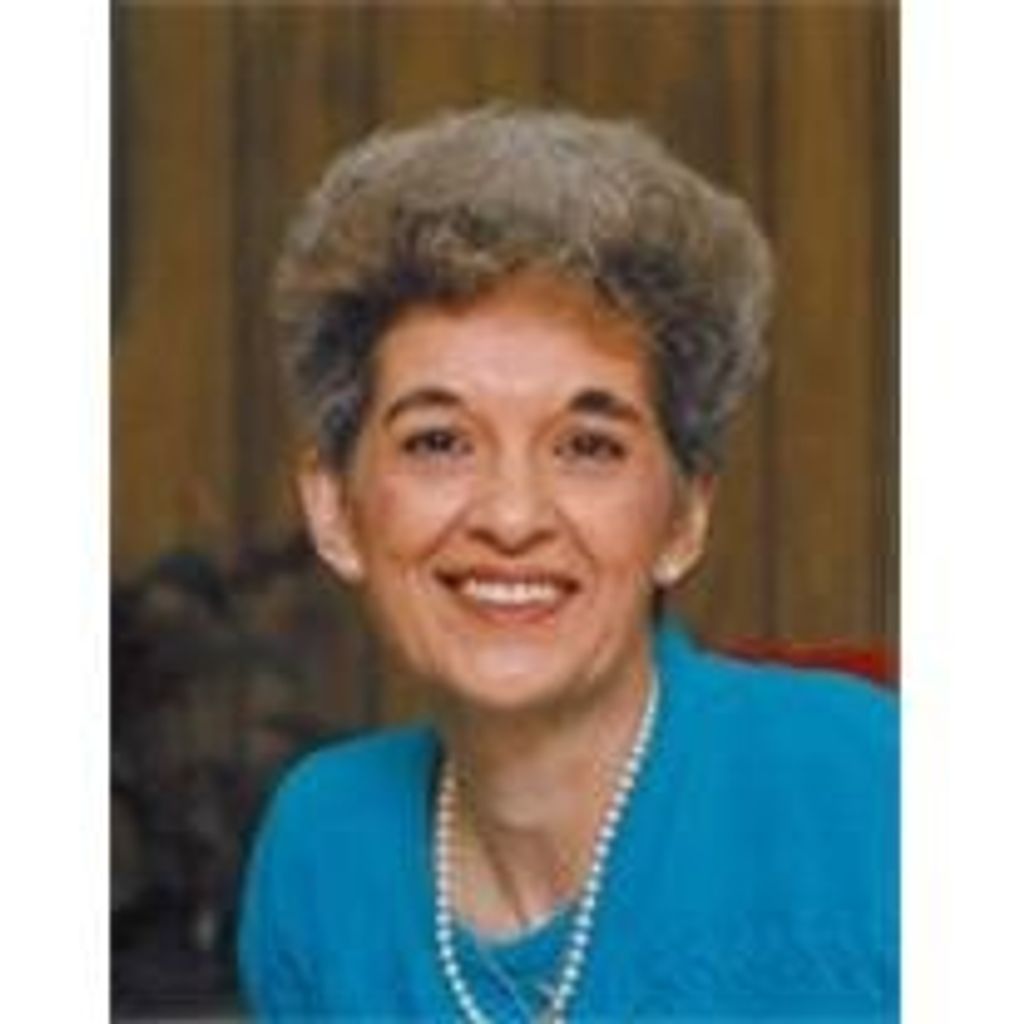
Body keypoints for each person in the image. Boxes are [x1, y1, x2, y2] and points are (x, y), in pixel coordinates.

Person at [238, 106, 898, 1023]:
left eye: (588, 447)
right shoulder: (323, 849)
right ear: (335, 507)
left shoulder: (879, 792)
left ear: (684, 517)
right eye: (438, 441)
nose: (512, 517)